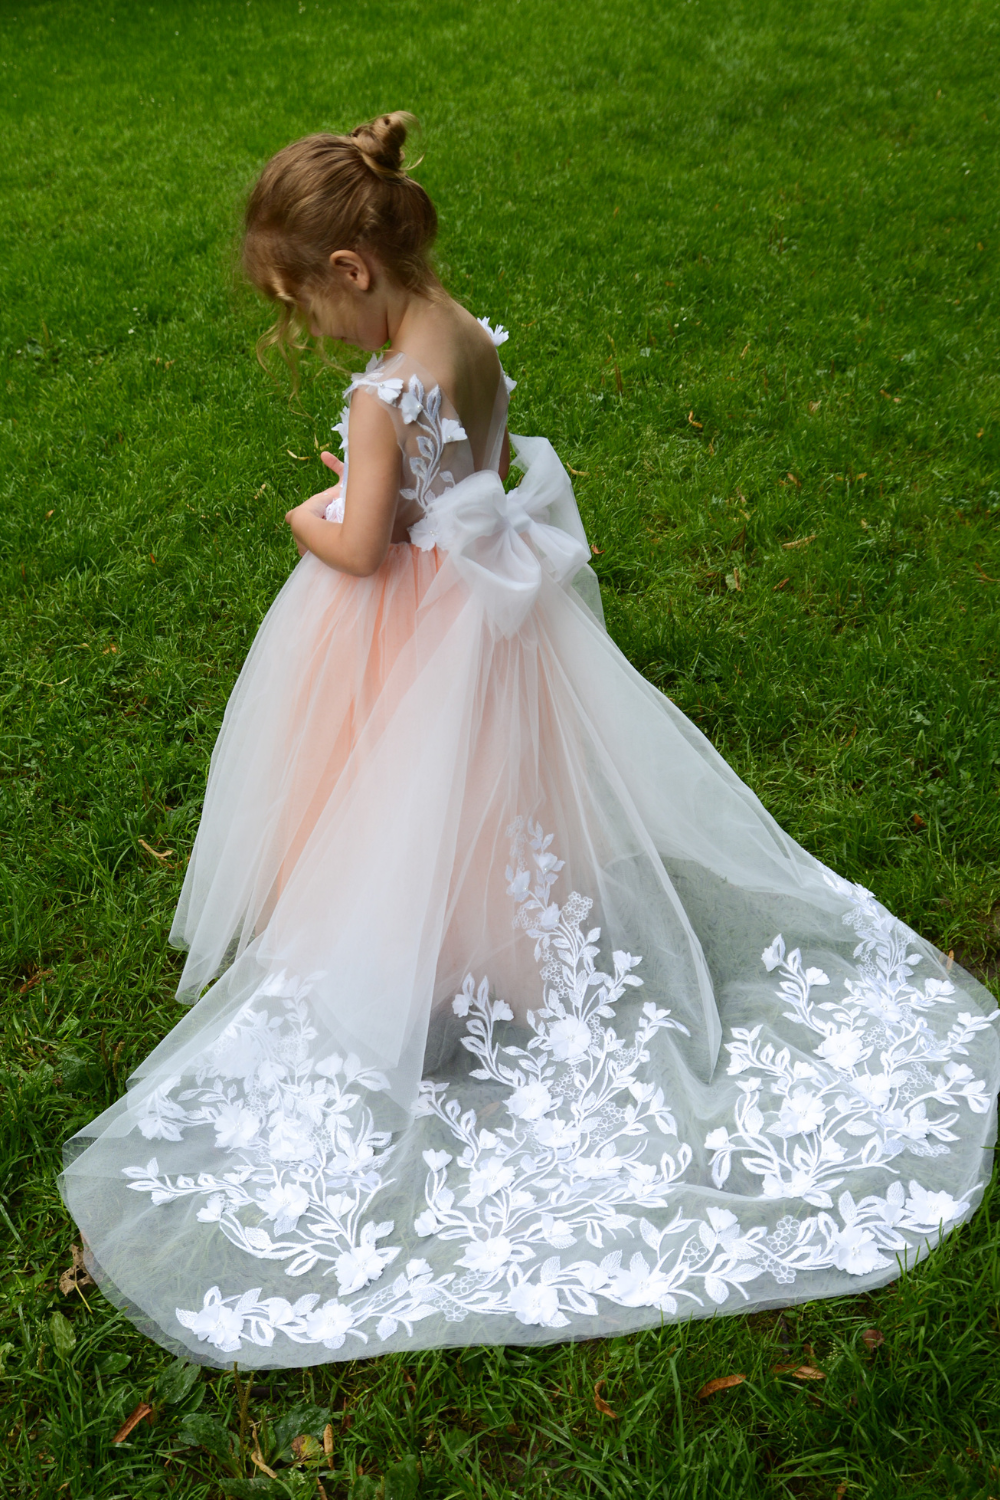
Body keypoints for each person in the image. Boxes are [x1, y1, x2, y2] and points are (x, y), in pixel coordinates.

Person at [60, 113, 999, 1368]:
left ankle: (423, 973)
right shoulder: (458, 330)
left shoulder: (380, 385)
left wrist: (310, 507)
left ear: (351, 271)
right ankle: (494, 955)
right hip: (491, 613)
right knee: (493, 792)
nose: (304, 332)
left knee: (394, 793)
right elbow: (468, 466)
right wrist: (385, 478)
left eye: (303, 305)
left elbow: (366, 542)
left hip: (413, 619)